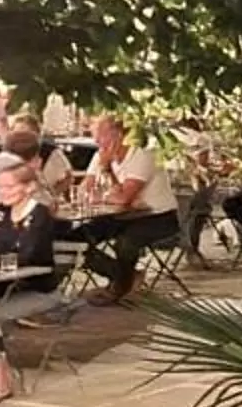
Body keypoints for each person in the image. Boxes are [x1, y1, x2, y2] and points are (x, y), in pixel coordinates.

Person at [66, 115, 177, 306]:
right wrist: (105, 194)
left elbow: (124, 198)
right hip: (120, 216)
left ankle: (120, 286)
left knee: (126, 242)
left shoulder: (143, 154)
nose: (96, 142)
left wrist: (107, 172)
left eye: (100, 136)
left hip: (157, 216)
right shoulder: (100, 155)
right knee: (73, 239)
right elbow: (85, 191)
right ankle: (125, 276)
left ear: (118, 135)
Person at [0, 159, 62, 407]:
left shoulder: (39, 215)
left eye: (9, 187)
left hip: (36, 289)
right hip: (1, 287)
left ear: (28, 188)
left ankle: (0, 378)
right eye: (1, 188)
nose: (3, 193)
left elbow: (30, 255)